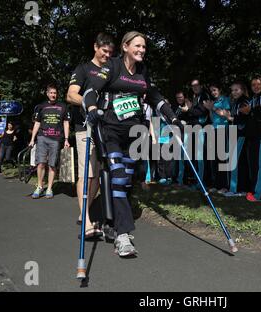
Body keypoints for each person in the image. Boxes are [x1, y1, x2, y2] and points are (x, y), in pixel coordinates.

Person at [83, 31, 182, 257]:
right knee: (118, 175)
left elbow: (156, 97)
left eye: (144, 47)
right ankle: (123, 235)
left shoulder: (143, 72)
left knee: (125, 181)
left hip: (135, 133)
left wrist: (173, 119)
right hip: (110, 131)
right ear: (125, 46)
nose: (141, 50)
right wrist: (90, 109)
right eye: (137, 46)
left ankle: (111, 223)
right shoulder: (113, 66)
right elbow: (91, 90)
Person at [66, 32, 115, 233]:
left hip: (106, 128)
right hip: (85, 126)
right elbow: (71, 95)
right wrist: (90, 105)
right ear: (96, 47)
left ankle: (83, 211)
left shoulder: (112, 70)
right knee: (87, 174)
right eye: (104, 51)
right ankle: (86, 221)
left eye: (111, 53)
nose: (107, 55)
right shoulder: (84, 69)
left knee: (98, 175)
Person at [29, 83, 71, 199]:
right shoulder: (41, 106)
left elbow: (66, 123)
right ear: (47, 94)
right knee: (41, 163)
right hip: (42, 137)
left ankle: (49, 188)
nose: (53, 95)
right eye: (51, 93)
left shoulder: (63, 106)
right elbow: (37, 123)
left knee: (52, 165)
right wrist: (32, 139)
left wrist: (66, 139)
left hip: (56, 139)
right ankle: (39, 186)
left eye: (55, 93)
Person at [179, 79, 211, 188]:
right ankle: (195, 180)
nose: (195, 87)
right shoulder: (193, 97)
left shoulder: (205, 96)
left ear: (201, 86)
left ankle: (202, 182)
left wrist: (189, 109)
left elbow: (201, 112)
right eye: (193, 86)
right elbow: (193, 113)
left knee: (200, 156)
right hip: (192, 129)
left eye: (197, 85)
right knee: (192, 156)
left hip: (201, 129)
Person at [224, 81, 250, 197]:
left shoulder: (244, 101)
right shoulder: (236, 102)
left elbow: (243, 119)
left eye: (236, 90)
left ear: (242, 90)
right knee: (239, 160)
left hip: (241, 134)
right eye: (232, 90)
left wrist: (228, 117)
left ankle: (236, 189)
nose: (233, 92)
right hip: (236, 134)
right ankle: (240, 188)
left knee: (236, 160)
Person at [205, 83, 230, 194]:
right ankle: (216, 184)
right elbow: (212, 118)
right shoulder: (214, 102)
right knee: (214, 159)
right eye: (211, 91)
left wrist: (213, 108)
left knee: (222, 158)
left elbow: (226, 114)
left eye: (214, 90)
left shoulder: (225, 100)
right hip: (214, 130)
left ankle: (224, 186)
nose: (213, 92)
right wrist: (210, 110)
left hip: (223, 130)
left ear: (220, 90)